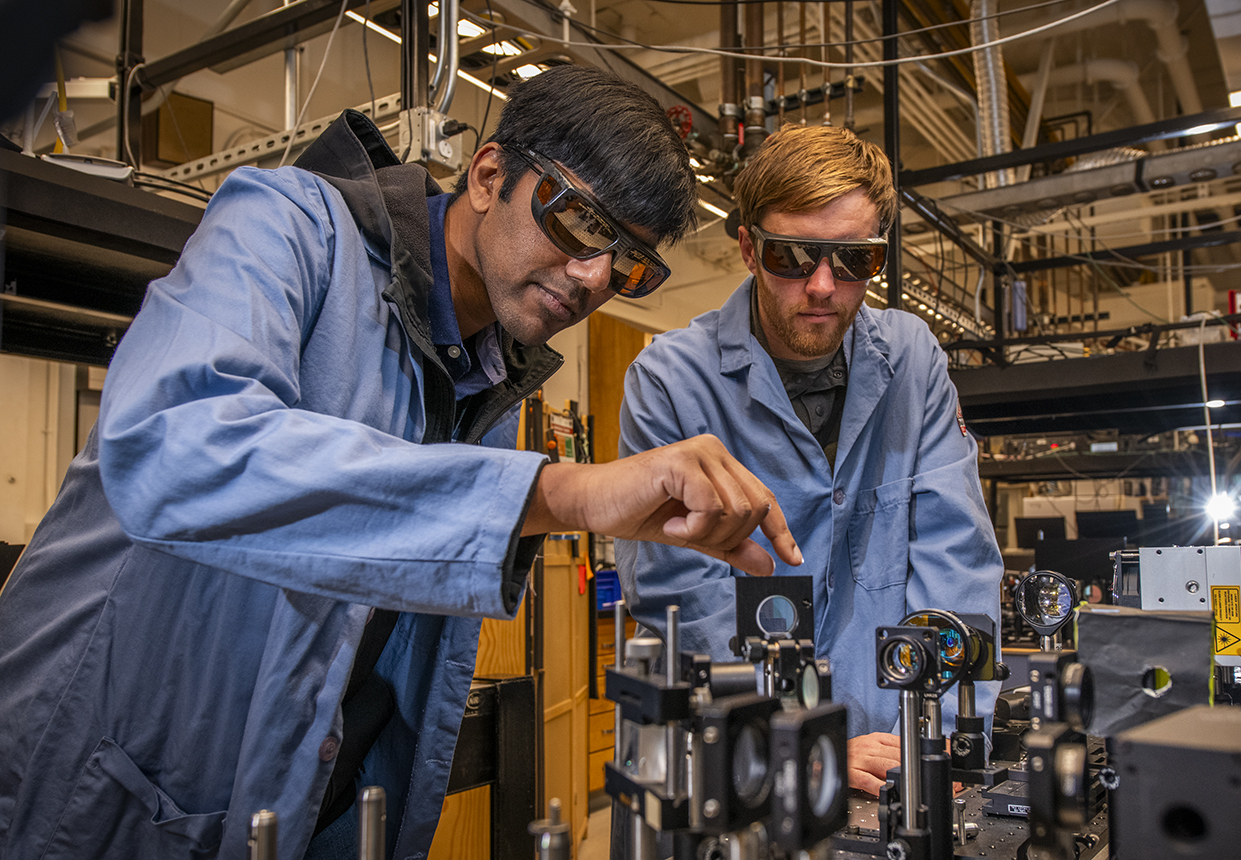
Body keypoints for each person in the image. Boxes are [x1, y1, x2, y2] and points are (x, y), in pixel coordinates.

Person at [0, 65, 799, 860]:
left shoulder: (492, 375)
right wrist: (560, 492)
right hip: (94, 805)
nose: (594, 278)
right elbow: (175, 450)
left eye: (629, 263)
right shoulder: (286, 225)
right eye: (581, 225)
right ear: (489, 175)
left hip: (305, 815)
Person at [615, 124, 1002, 795]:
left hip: (895, 744)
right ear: (747, 247)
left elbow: (955, 559)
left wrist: (948, 728)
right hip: (736, 754)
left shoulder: (911, 360)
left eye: (855, 261)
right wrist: (801, 740)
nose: (823, 286)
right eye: (793, 256)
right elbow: (684, 598)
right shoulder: (672, 380)